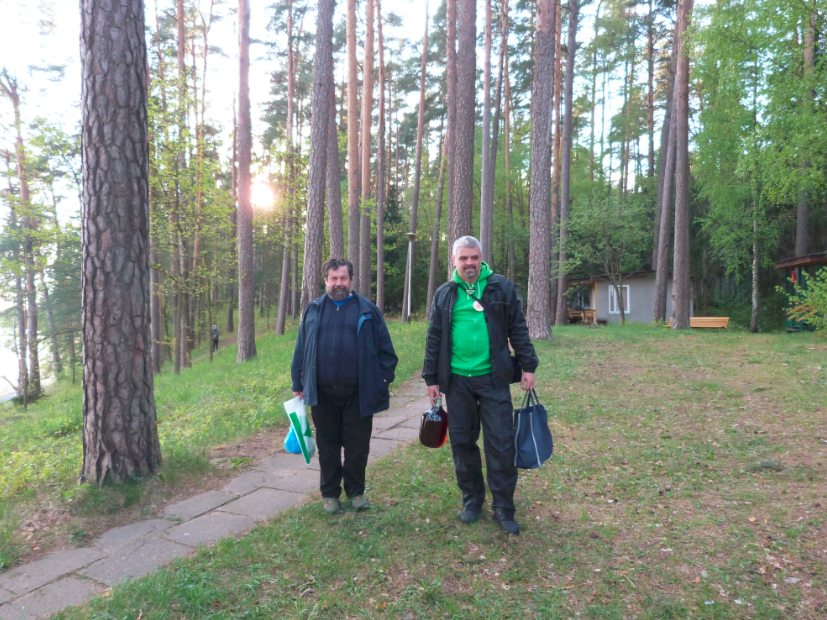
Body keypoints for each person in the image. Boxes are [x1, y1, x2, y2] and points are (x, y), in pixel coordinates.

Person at [423, 236, 539, 535]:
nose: (469, 263)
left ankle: (504, 507)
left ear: (481, 258)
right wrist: (431, 378)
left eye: (474, 257)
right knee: (462, 443)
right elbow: (434, 336)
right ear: (454, 261)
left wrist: (528, 365)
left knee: (500, 443)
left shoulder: (501, 288)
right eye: (463, 258)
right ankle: (472, 500)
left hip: (493, 379)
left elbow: (518, 327)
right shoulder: (445, 294)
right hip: (457, 381)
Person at [291, 257, 398, 514]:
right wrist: (297, 382)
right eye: (334, 278)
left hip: (358, 395)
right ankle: (330, 494)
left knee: (357, 448)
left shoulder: (367, 310)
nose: (338, 283)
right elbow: (301, 349)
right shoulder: (313, 310)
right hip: (322, 394)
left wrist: (381, 381)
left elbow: (387, 353)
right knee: (327, 447)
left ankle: (356, 492)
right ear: (325, 280)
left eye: (343, 278)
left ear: (351, 280)